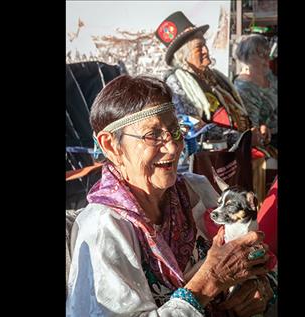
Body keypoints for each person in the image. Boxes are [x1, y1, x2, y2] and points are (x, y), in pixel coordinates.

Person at [66, 75, 275, 316]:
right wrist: (209, 282)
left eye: (175, 131)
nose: (174, 147)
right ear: (112, 145)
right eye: (153, 134)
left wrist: (260, 288)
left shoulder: (195, 190)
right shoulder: (104, 229)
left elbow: (253, 259)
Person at [155, 11, 263, 146]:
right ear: (184, 55)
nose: (206, 50)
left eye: (204, 44)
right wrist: (241, 138)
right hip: (211, 161)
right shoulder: (176, 83)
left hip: (236, 153)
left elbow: (236, 109)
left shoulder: (215, 77)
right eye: (199, 47)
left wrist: (254, 131)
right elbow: (190, 127)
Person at [234, 34, 278, 147]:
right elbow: (251, 129)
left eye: (267, 54)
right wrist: (263, 127)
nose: (267, 59)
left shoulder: (268, 76)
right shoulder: (244, 87)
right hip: (267, 143)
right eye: (261, 55)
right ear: (247, 58)